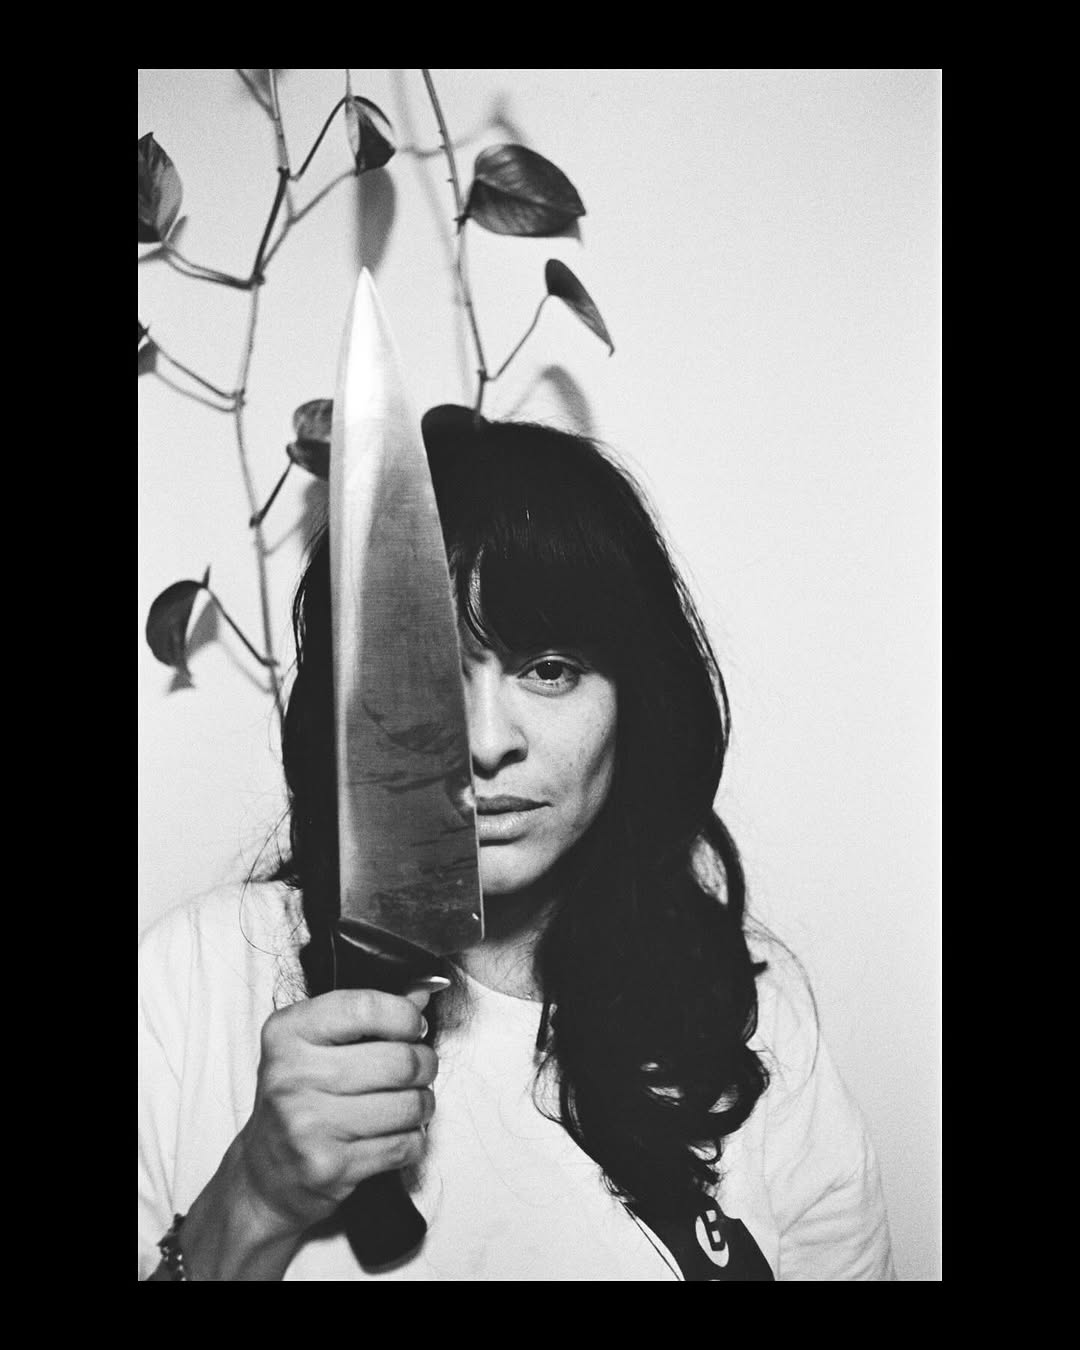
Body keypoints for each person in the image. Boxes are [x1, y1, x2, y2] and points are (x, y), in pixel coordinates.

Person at [139, 414, 895, 1281]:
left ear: (634, 704)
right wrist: (256, 1196)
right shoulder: (198, 980)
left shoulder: (750, 1008)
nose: (487, 740)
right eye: (430, 669)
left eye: (550, 668)